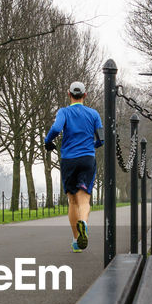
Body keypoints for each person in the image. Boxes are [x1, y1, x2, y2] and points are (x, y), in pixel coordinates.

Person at [44, 81, 102, 252]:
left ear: (68, 94)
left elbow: (55, 128)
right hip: (87, 159)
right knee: (84, 198)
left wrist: (48, 141)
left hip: (69, 159)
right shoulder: (93, 114)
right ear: (85, 95)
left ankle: (77, 240)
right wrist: (91, 146)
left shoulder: (64, 112)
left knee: (72, 200)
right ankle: (83, 222)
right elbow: (101, 139)